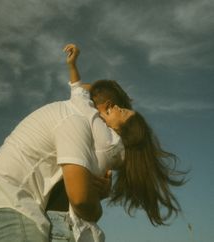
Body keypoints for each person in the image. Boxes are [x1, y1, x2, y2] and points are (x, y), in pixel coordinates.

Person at [0, 44, 133, 242]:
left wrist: (96, 191)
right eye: (113, 127)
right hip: (9, 209)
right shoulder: (74, 120)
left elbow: (83, 90)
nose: (109, 133)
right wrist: (95, 204)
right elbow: (80, 200)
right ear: (107, 108)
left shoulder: (69, 117)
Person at [47, 44, 187, 241]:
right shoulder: (109, 147)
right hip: (74, 223)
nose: (114, 108)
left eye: (120, 110)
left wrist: (73, 67)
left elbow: (80, 92)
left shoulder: (104, 137)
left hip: (61, 219)